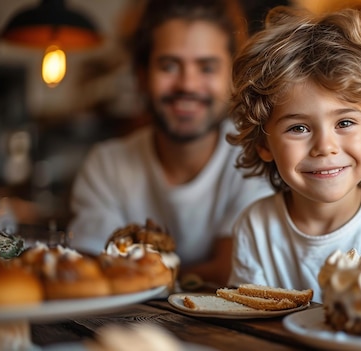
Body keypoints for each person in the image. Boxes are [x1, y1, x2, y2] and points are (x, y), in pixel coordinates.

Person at [226, 6, 361, 301]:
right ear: (264, 144)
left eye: (345, 123)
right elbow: (249, 325)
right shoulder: (256, 226)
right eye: (298, 128)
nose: (325, 146)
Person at [67, 0, 273, 287]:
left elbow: (230, 270)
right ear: (141, 76)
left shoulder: (254, 156)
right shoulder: (107, 165)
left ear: (232, 78)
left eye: (207, 67)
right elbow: (90, 271)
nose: (187, 84)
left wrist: (137, 274)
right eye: (169, 65)